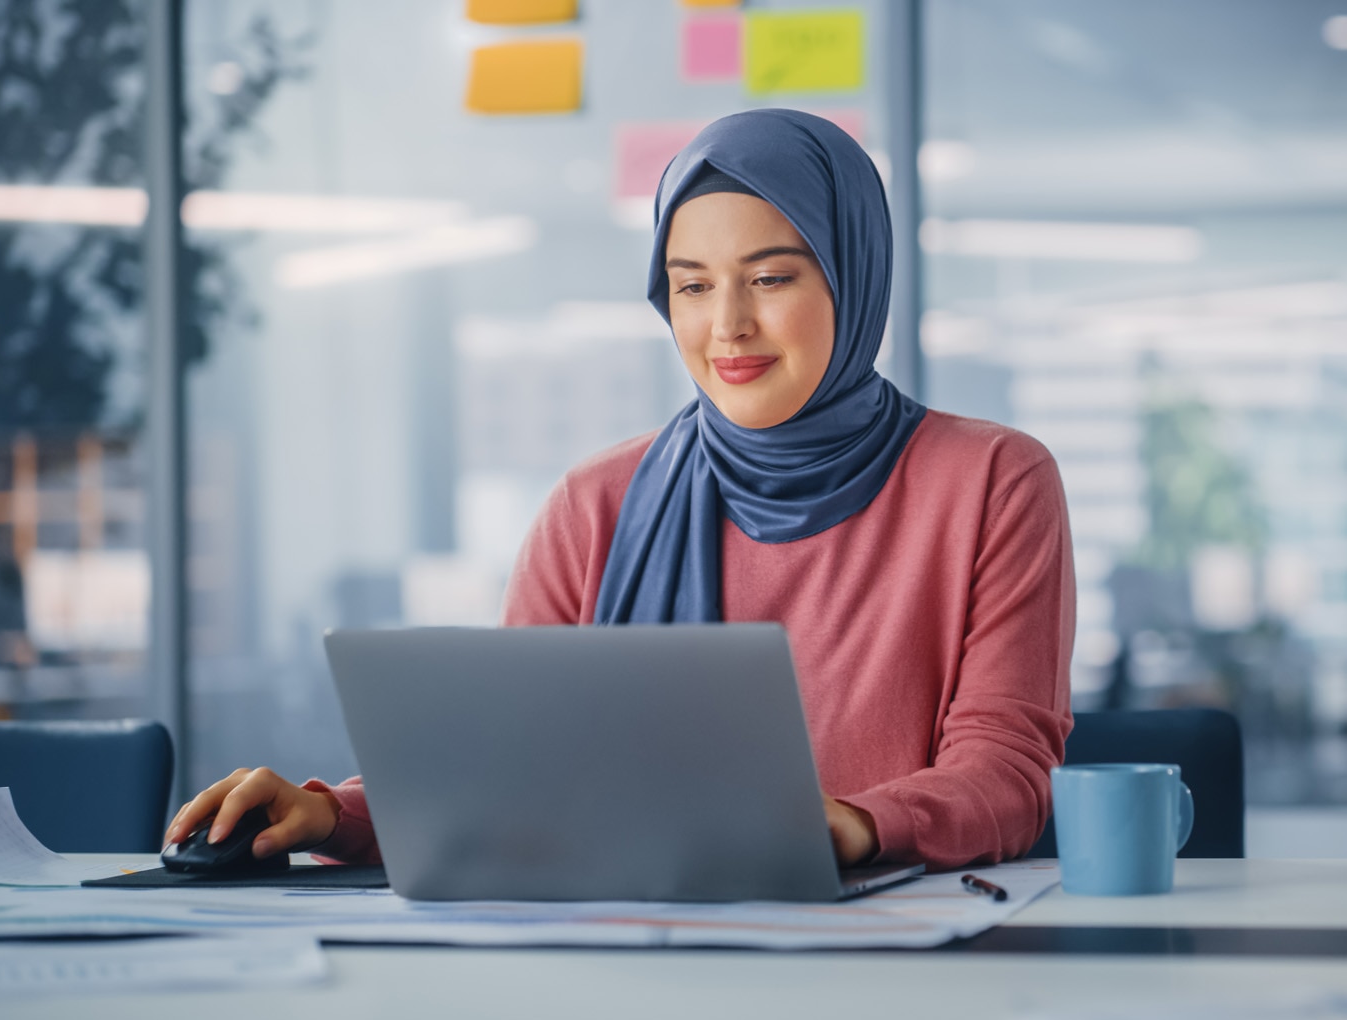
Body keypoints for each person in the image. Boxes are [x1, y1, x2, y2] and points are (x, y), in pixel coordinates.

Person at [166, 109, 1075, 871]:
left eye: (770, 277)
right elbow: (510, 765)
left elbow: (1006, 771)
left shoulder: (994, 480)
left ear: (853, 272)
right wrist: (331, 814)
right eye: (691, 286)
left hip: (899, 963)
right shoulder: (595, 501)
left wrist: (857, 823)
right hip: (631, 946)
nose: (729, 325)